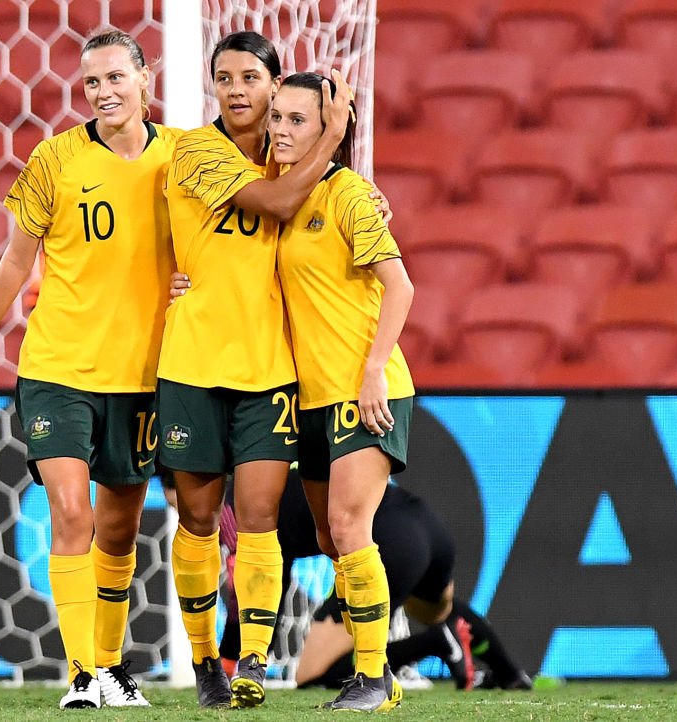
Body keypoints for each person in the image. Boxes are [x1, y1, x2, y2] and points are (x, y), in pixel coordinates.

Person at [0, 28, 181, 709]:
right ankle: (82, 674)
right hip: (57, 367)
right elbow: (16, 263)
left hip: (142, 375)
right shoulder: (54, 160)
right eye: (91, 84)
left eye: (115, 77)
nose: (104, 92)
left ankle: (110, 665)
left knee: (118, 525)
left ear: (145, 77)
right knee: (71, 512)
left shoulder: (185, 160)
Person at [156, 31, 353, 709]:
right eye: (225, 77)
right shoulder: (195, 150)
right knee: (201, 521)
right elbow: (274, 204)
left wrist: (359, 192)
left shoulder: (293, 153)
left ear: (276, 86)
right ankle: (205, 659)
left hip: (268, 370)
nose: (237, 90)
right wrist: (332, 137)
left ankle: (254, 662)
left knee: (262, 516)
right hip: (191, 365)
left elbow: (329, 213)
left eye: (250, 78)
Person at [268, 71, 417, 712]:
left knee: (349, 526)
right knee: (331, 540)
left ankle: (372, 678)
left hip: (364, 387)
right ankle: (380, 669)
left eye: (297, 119)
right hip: (308, 396)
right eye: (276, 116)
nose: (280, 129)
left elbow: (401, 287)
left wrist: (374, 369)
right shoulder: (269, 199)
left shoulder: (351, 196)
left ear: (332, 127)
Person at [207, 471, 532, 693]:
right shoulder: (264, 478)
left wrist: (228, 660)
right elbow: (273, 583)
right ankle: (510, 674)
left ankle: (438, 643)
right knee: (436, 611)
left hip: (388, 544)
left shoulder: (232, 510)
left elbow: (257, 592)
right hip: (426, 526)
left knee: (315, 675)